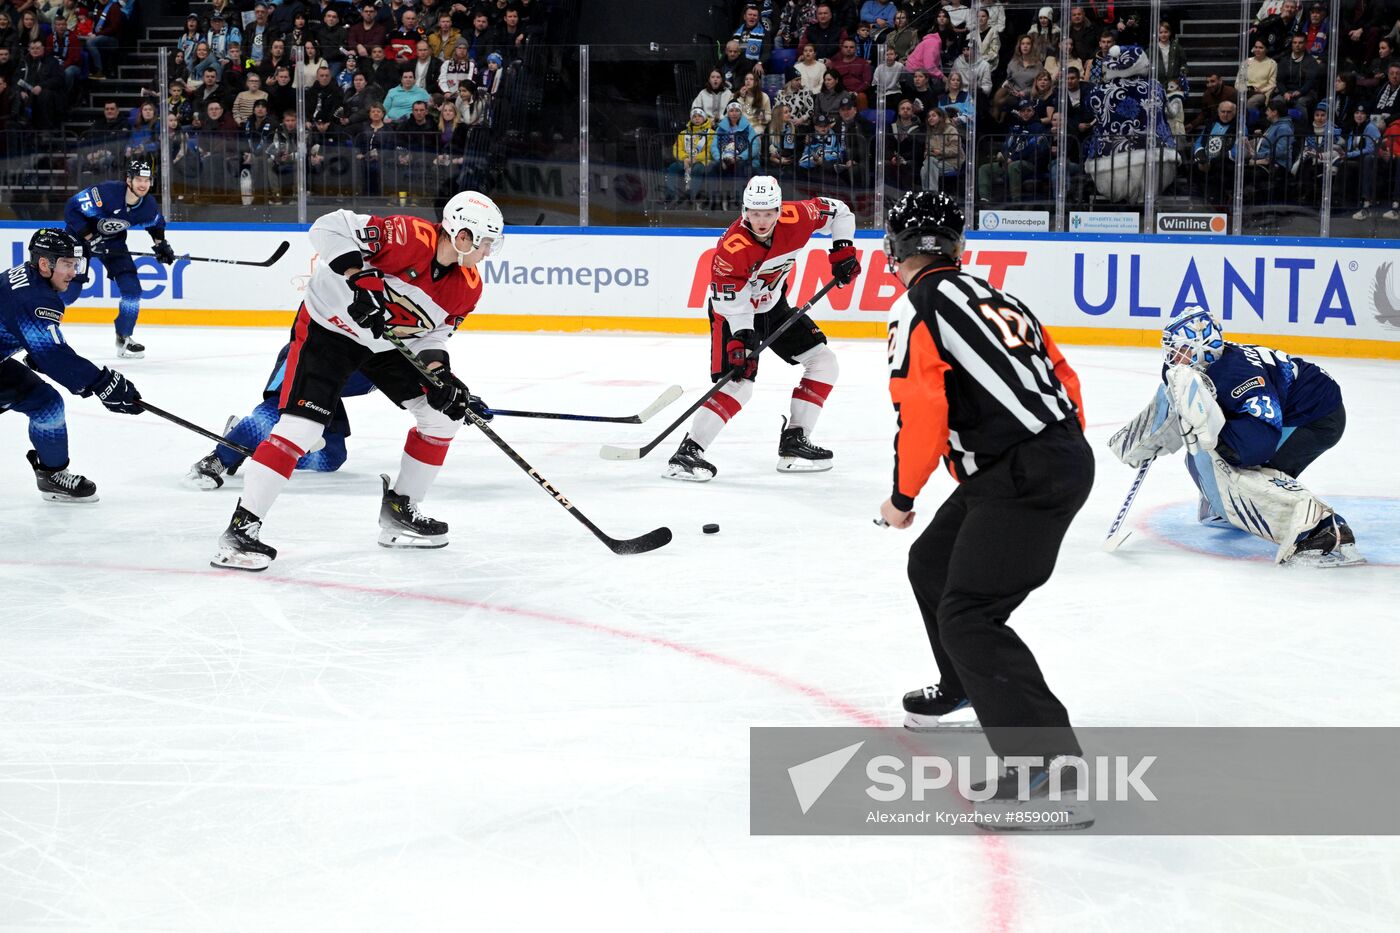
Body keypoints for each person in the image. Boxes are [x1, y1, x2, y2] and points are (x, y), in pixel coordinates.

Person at [879, 191, 1092, 826]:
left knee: (970, 614)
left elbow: (922, 413)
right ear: (957, 248)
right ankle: (968, 686)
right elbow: (1064, 376)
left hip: (1020, 474)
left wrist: (901, 496)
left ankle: (1049, 768)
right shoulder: (1001, 297)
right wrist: (1060, 452)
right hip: (1043, 458)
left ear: (896, 253)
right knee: (933, 565)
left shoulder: (916, 308)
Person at [211, 192, 505, 571]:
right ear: (462, 236)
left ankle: (400, 510)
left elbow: (432, 338)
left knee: (441, 416)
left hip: (384, 346)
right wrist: (359, 276)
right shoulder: (406, 236)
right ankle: (240, 531)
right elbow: (327, 227)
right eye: (484, 242)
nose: (486, 252)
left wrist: (443, 380)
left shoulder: (468, 287)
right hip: (328, 330)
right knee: (301, 429)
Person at [1109, 308, 1362, 567]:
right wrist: (1150, 437)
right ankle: (1227, 509)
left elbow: (1259, 442)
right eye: (1172, 350)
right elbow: (1174, 395)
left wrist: (1220, 445)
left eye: (1180, 349)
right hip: (1293, 407)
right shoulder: (1200, 365)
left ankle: (1324, 530)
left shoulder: (1238, 376)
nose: (1173, 357)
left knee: (1248, 473)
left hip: (1316, 416)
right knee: (1213, 451)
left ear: (1200, 346)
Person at [664, 175, 857, 481]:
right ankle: (689, 451)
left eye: (768, 213)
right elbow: (730, 301)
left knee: (823, 362)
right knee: (739, 386)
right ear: (745, 211)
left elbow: (841, 212)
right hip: (733, 315)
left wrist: (843, 251)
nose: (762, 220)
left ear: (779, 210)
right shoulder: (732, 246)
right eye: (755, 213)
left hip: (774, 307)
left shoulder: (799, 216)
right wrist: (741, 339)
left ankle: (795, 441)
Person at [0, 229, 144, 503]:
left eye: (75, 264)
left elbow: (30, 337)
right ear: (45, 264)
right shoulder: (35, 299)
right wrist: (103, 383)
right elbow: (53, 354)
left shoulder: (30, 278)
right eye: (67, 264)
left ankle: (53, 475)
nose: (73, 272)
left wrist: (37, 354)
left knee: (45, 404)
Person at [63, 158, 177, 359]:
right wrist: (91, 238)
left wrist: (162, 245)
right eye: (139, 179)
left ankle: (123, 337)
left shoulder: (147, 205)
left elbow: (155, 223)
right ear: (128, 180)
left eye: (147, 180)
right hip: (79, 240)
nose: (143, 184)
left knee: (132, 290)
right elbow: (72, 208)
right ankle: (35, 321)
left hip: (113, 243)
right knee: (69, 293)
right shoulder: (106, 193)